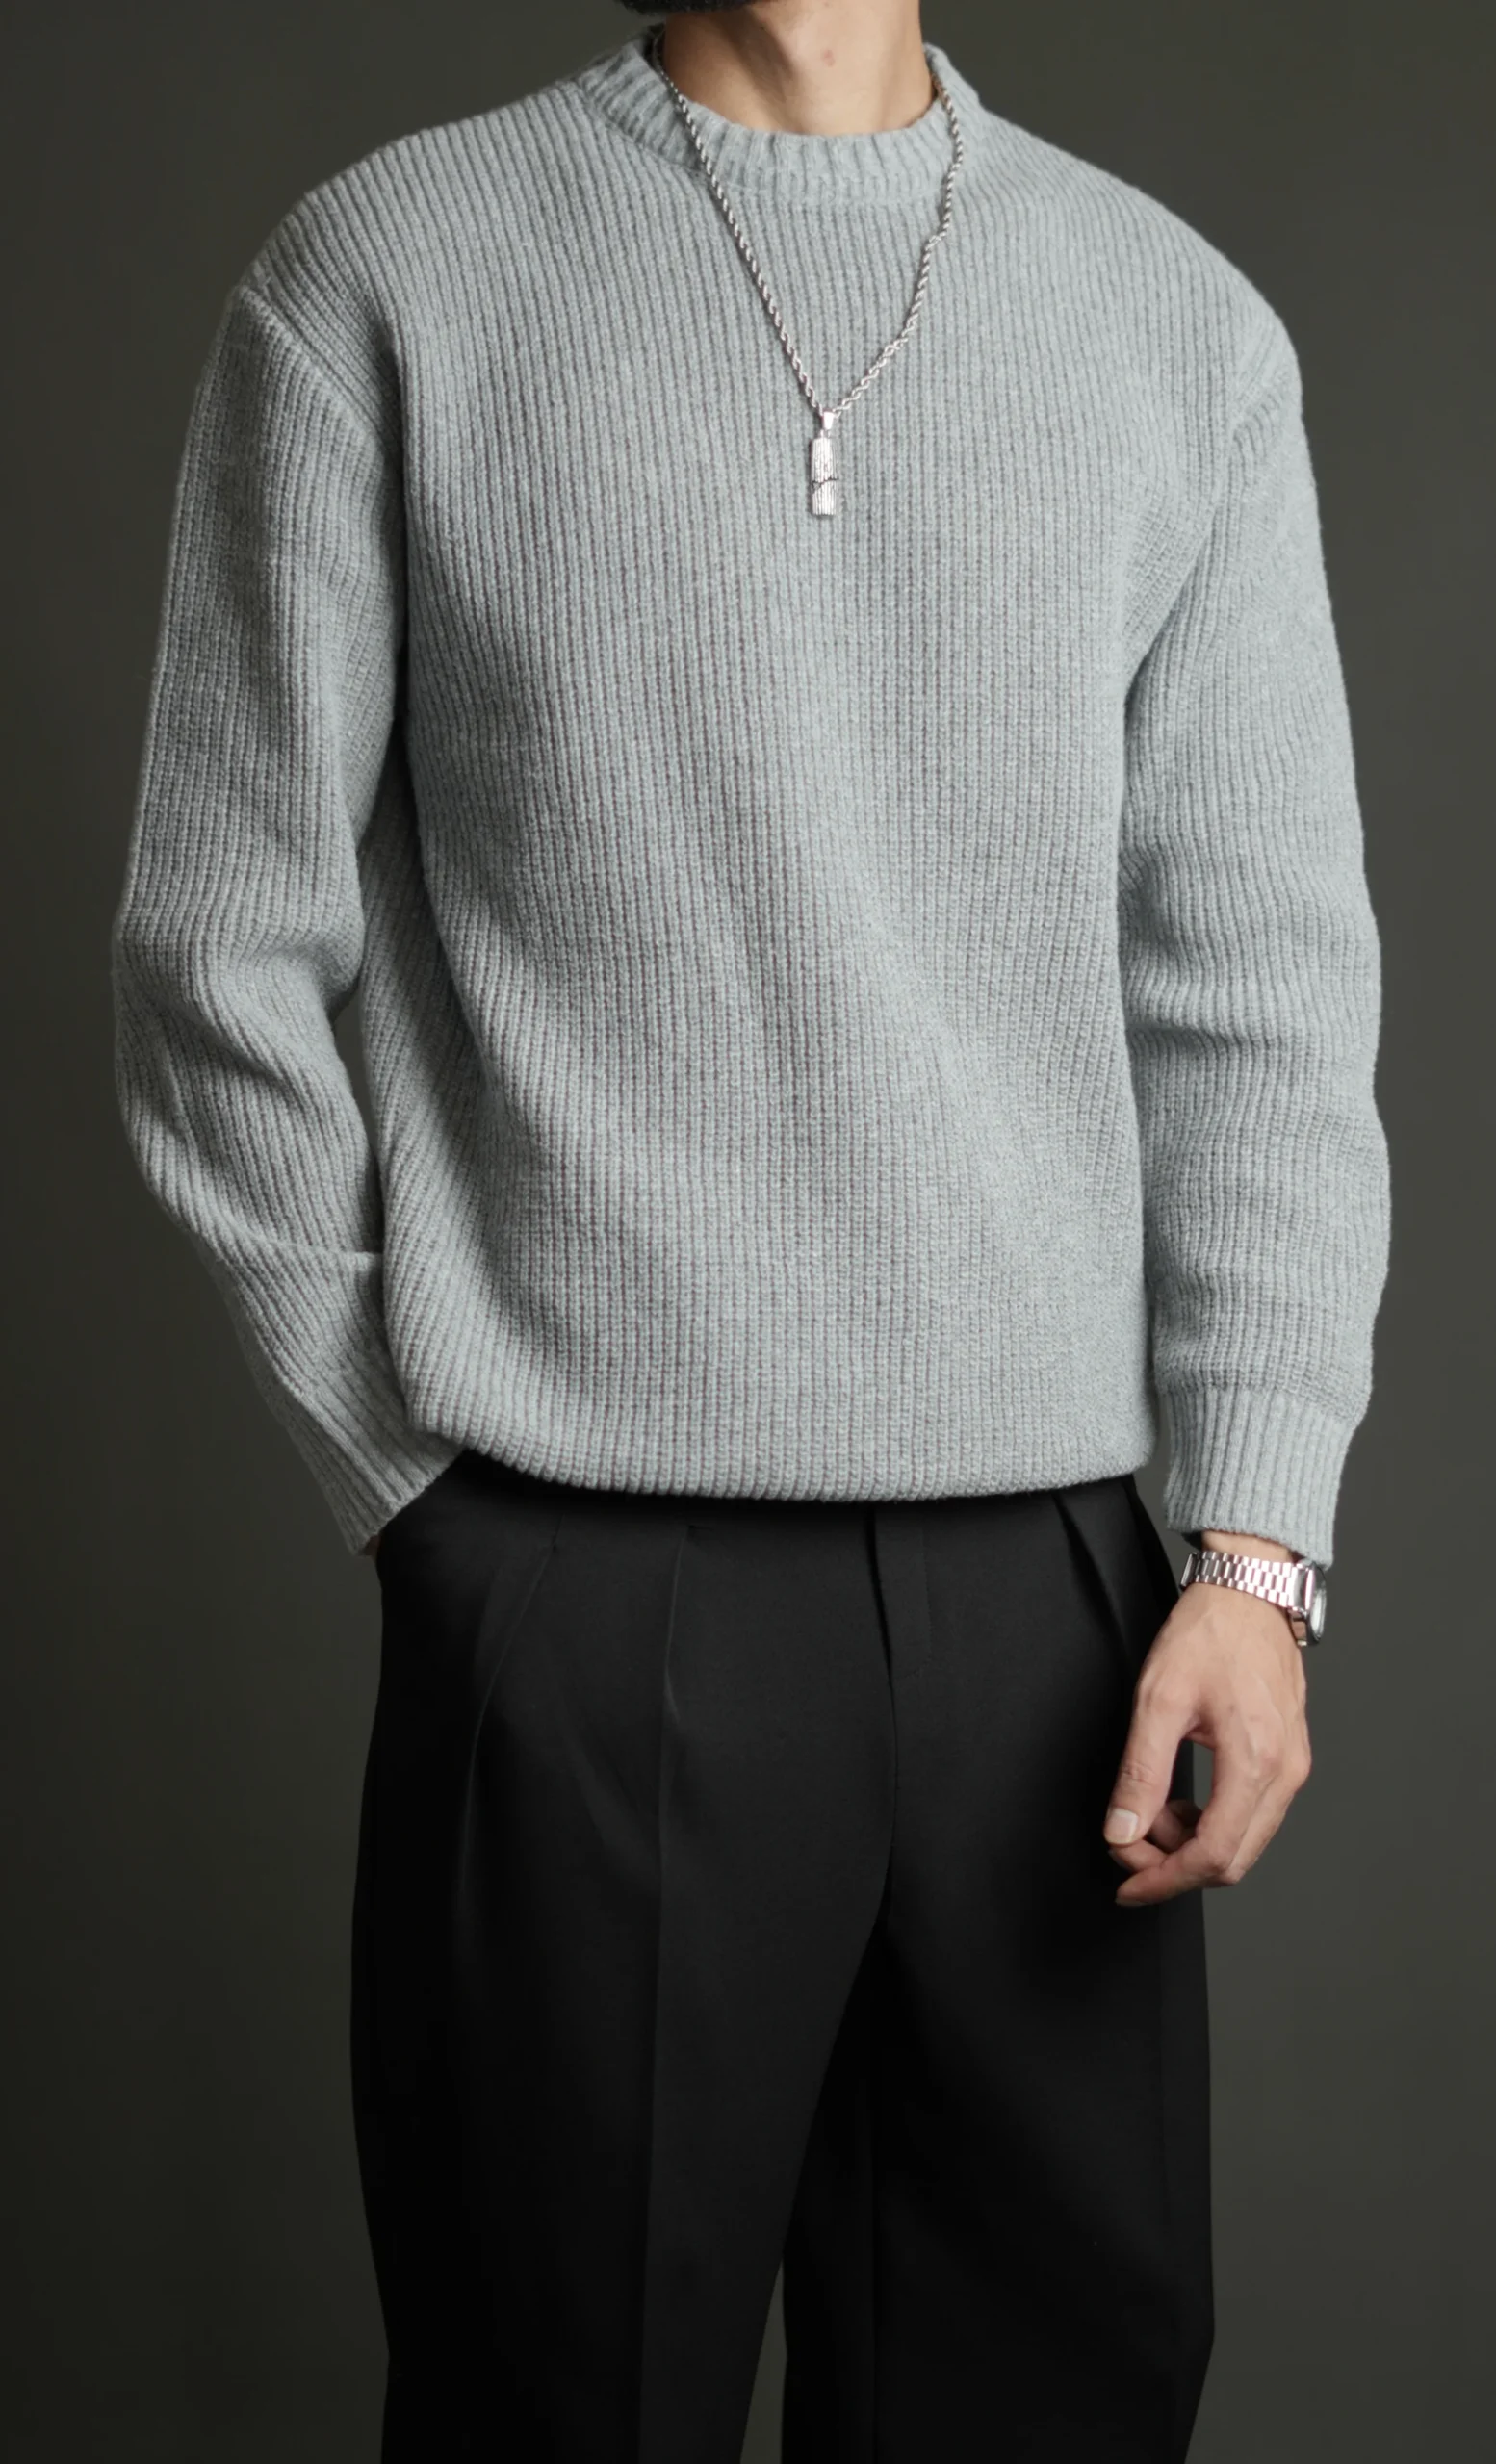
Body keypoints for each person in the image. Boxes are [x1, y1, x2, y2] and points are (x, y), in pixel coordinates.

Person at [109, 0, 1390, 2454]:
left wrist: (1261, 1548)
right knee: (554, 2402)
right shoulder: (389, 275)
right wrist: (414, 1484)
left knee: (1057, 2408)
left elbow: (1260, 995)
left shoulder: (1176, 328)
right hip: (583, 1576)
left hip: (1058, 1609)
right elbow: (213, 955)